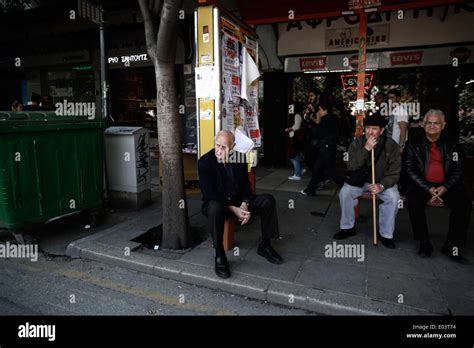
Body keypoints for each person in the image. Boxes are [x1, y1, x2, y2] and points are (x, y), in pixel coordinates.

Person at [198, 130, 283, 279]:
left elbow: (246, 186)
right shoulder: (205, 162)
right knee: (214, 207)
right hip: (219, 205)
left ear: (232, 147)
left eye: (224, 147)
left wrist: (244, 203)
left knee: (268, 200)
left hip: (238, 202)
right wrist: (233, 209)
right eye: (217, 145)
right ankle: (219, 255)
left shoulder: (239, 158)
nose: (219, 150)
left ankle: (265, 244)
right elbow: (209, 193)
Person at [404, 109, 471, 263]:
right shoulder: (413, 143)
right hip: (422, 185)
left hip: (447, 186)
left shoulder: (452, 143)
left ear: (443, 125)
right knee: (413, 201)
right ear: (423, 124)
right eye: (429, 122)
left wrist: (445, 187)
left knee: (463, 204)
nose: (432, 126)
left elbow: (458, 167)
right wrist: (427, 187)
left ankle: (452, 245)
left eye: (436, 123)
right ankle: (424, 242)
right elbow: (409, 168)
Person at [335, 115, 401, 249]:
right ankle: (347, 227)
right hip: (361, 181)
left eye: (374, 129)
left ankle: (385, 234)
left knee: (394, 198)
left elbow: (395, 172)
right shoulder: (357, 143)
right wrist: (366, 149)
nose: (370, 132)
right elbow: (351, 165)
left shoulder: (391, 145)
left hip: (382, 182)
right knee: (345, 192)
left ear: (382, 130)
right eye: (368, 128)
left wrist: (381, 185)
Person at [301, 97, 344, 196]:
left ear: (325, 109)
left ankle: (346, 187)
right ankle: (310, 190)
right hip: (326, 148)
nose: (319, 112)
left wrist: (316, 120)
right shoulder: (331, 118)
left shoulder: (328, 119)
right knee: (318, 169)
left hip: (327, 148)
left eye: (320, 109)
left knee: (331, 171)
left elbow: (318, 133)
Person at [284, 102, 305, 180]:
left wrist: (288, 129)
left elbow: (296, 126)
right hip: (295, 137)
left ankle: (297, 174)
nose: (290, 108)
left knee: (293, 156)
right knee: (295, 155)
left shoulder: (296, 115)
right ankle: (299, 170)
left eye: (292, 106)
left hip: (294, 138)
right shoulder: (298, 115)